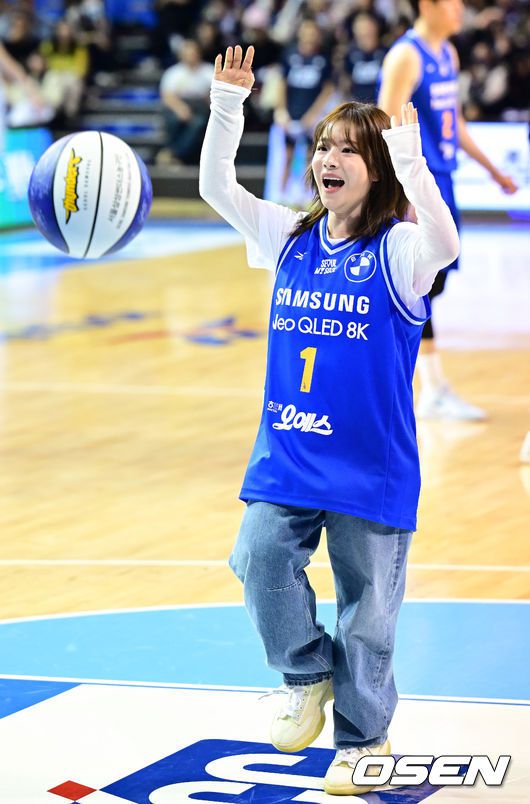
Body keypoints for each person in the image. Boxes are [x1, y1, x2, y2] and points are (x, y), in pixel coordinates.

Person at [200, 44, 459, 796]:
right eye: (322, 145)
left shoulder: (400, 250)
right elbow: (216, 187)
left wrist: (414, 164)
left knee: (367, 616)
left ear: (375, 168)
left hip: (370, 463)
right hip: (288, 453)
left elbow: (446, 243)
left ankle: (364, 738)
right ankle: (305, 674)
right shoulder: (288, 237)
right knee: (257, 557)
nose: (327, 158)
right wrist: (227, 104)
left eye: (347, 149)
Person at [378, 0, 517, 421]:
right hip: (419, 186)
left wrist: (493, 170)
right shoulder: (406, 55)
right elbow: (385, 126)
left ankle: (426, 386)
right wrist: (404, 194)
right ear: (427, 4)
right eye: (453, 1)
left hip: (445, 180)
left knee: (432, 286)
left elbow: (455, 123)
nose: (460, 9)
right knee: (414, 287)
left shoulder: (448, 53)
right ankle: (427, 388)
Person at [157, 40, 213, 166]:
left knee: (197, 124)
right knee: (173, 121)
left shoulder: (209, 71)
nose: (190, 56)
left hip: (201, 108)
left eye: (193, 52)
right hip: (178, 106)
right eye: (187, 53)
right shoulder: (173, 73)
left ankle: (172, 154)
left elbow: (213, 95)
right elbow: (167, 96)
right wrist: (180, 109)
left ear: (199, 53)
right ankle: (177, 156)